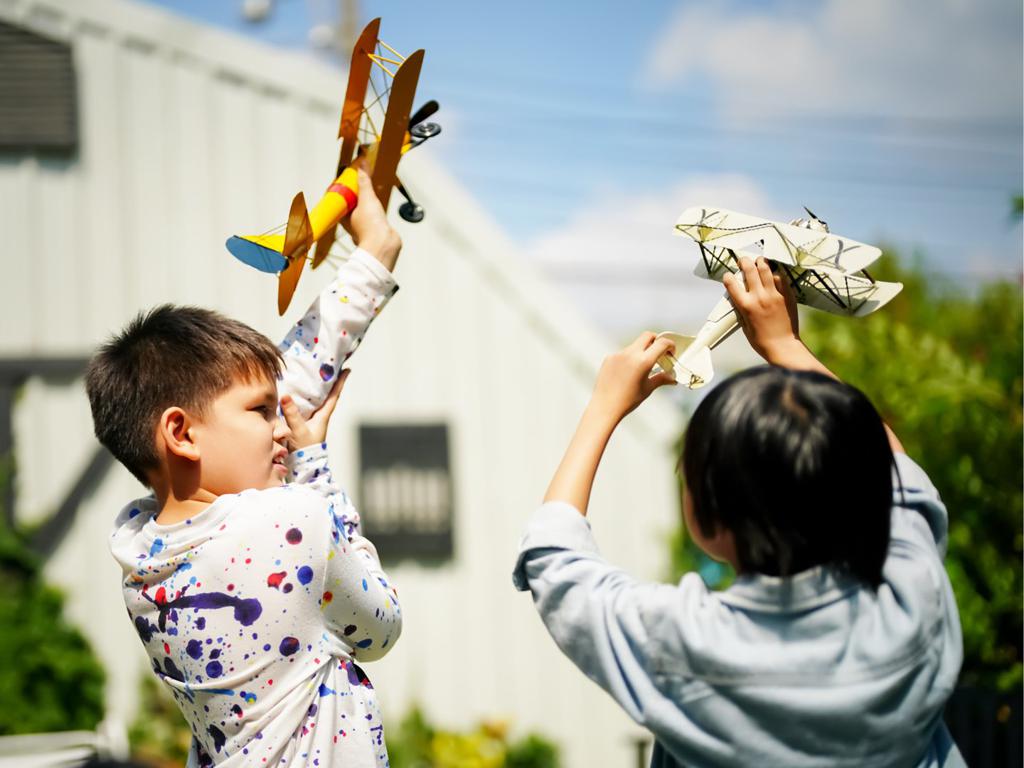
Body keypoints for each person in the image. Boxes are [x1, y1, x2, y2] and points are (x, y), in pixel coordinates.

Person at [513, 256, 965, 767]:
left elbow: (554, 561)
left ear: (708, 518)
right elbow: (891, 469)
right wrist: (786, 347)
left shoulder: (689, 643)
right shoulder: (910, 599)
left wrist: (603, 408)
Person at [86, 171, 404, 767]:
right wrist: (312, 465)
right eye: (263, 413)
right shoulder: (291, 522)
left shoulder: (144, 556)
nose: (284, 424)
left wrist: (370, 261)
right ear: (181, 434)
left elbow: (284, 393)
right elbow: (381, 627)